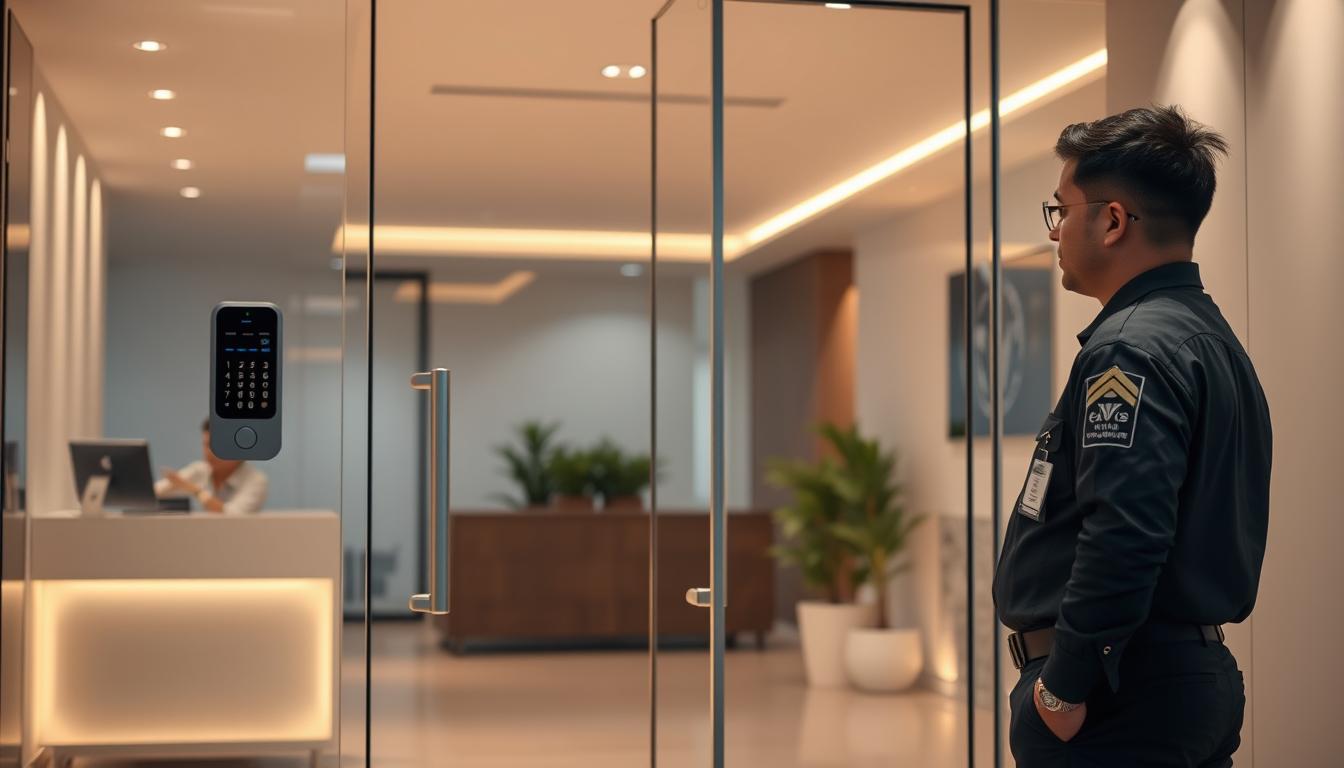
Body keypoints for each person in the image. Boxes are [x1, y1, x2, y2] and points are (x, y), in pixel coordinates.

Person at [993, 105, 1272, 767]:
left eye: (1062, 210)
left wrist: (1062, 689)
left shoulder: (1129, 351)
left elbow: (1126, 529)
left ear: (1113, 220)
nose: (1055, 231)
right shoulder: (1210, 342)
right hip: (1178, 681)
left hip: (1117, 699)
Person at [155, 419, 269, 515]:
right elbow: (154, 491)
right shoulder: (199, 469)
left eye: (217, 445)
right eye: (206, 445)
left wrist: (197, 491)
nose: (209, 452)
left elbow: (233, 517)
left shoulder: (256, 480)